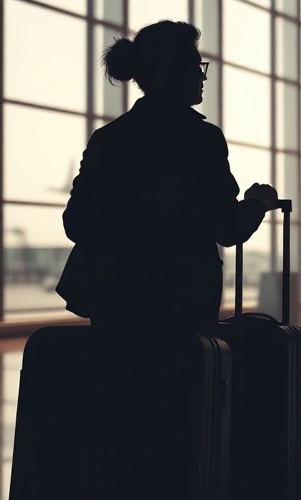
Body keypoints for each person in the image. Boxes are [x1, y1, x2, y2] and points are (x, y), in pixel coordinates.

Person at [57, 20, 279, 333]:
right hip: (183, 303)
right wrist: (257, 203)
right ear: (174, 73)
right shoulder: (201, 139)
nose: (202, 76)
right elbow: (228, 229)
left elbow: (76, 223)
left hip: (114, 302)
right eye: (195, 66)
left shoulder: (108, 139)